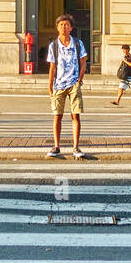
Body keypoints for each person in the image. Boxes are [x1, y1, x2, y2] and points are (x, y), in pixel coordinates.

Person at [46, 13, 89, 158]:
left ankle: (76, 147)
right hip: (59, 84)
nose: (64, 27)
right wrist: (50, 84)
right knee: (57, 116)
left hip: (73, 85)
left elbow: (83, 63)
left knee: (75, 115)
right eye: (61, 25)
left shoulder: (78, 43)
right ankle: (56, 146)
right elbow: (52, 67)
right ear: (57, 28)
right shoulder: (54, 45)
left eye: (66, 25)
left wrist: (79, 80)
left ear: (71, 28)